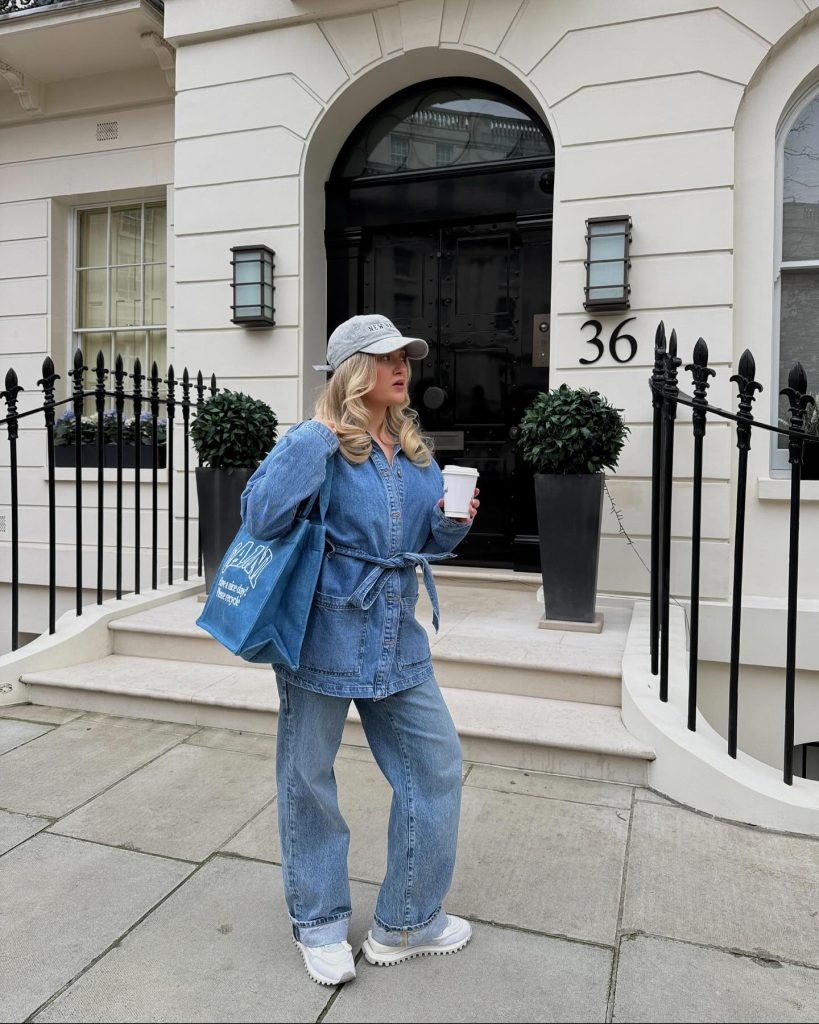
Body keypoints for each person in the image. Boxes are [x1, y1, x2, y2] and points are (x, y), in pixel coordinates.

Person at [240, 314, 480, 987]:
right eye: (384, 358)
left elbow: (424, 546)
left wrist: (451, 524)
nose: (401, 367)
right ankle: (318, 924)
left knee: (434, 768)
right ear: (352, 369)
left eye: (405, 357)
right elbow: (260, 514)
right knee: (308, 779)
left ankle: (406, 922)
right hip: (321, 634)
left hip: (396, 637)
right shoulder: (319, 443)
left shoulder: (412, 451)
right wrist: (316, 431)